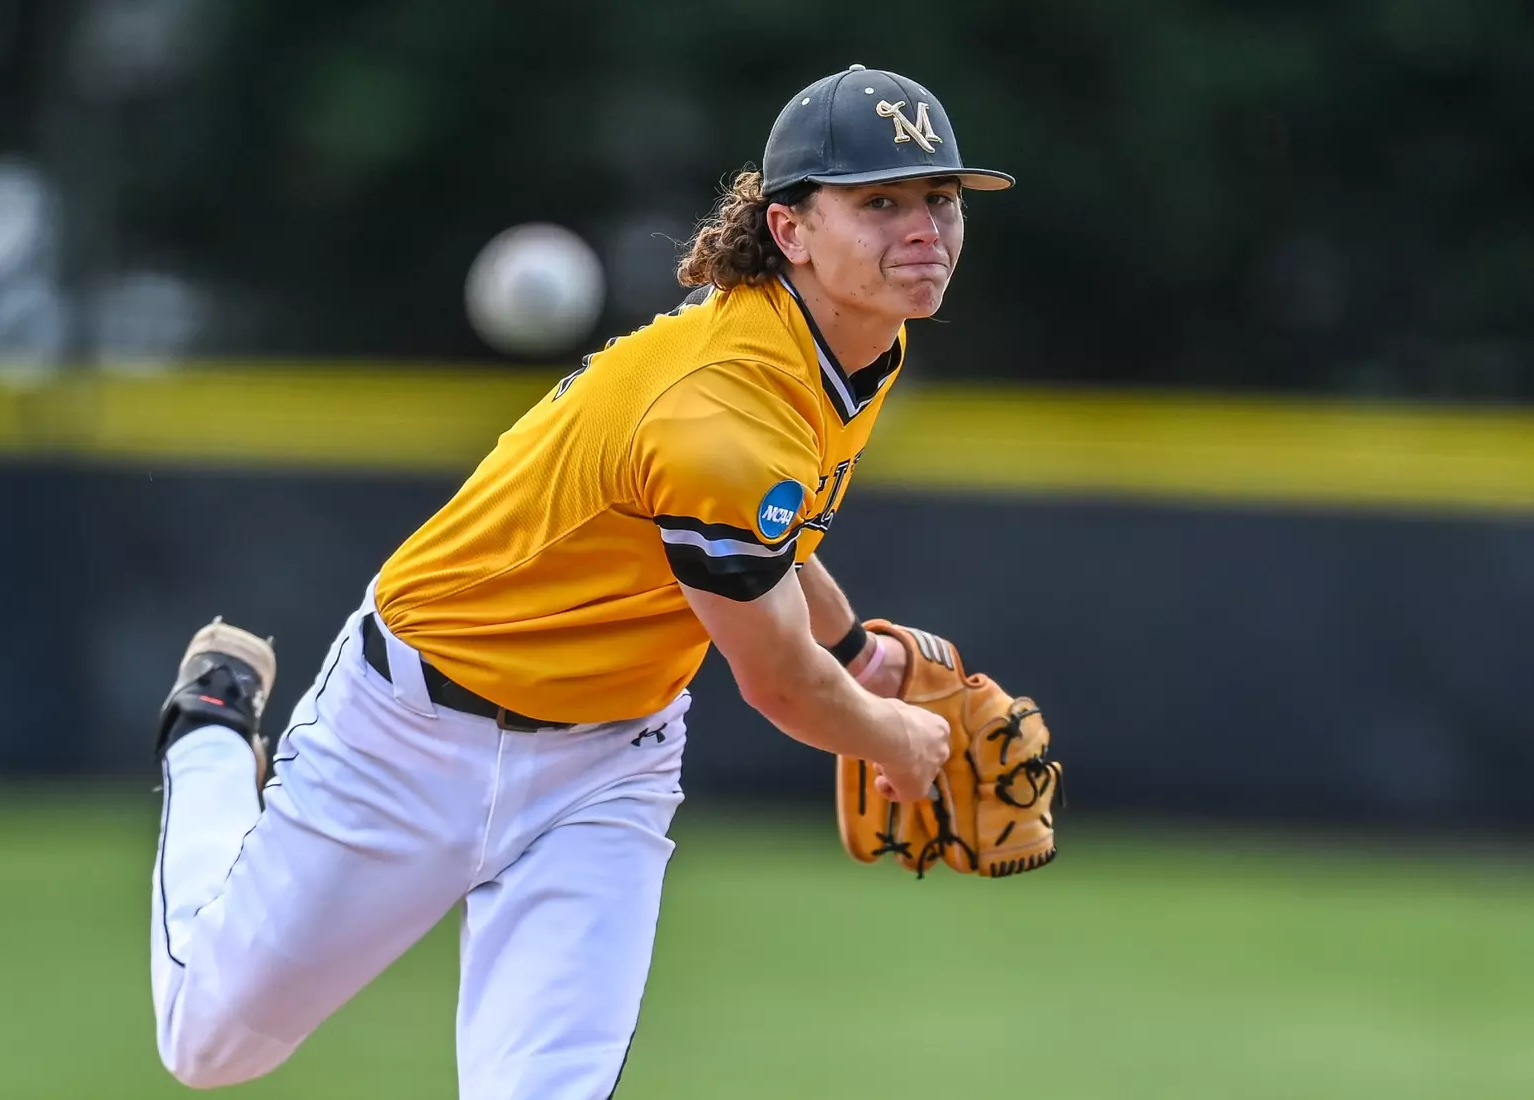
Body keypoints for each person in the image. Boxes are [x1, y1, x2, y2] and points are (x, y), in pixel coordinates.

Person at [149, 63, 1014, 1098]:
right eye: (879, 201)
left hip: (605, 764)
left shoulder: (857, 343)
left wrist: (855, 653)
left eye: (939, 199)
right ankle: (206, 730)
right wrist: (893, 735)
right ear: (790, 229)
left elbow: (768, 536)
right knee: (208, 1046)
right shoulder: (718, 408)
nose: (923, 228)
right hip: (411, 726)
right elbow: (774, 681)